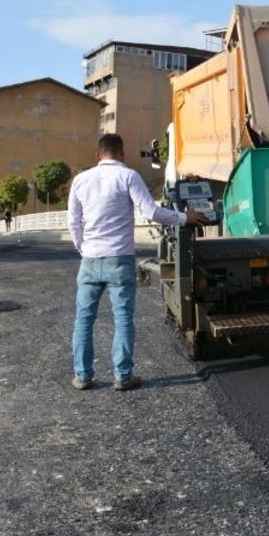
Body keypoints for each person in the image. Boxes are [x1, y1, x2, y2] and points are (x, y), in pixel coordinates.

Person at [67, 133, 204, 391]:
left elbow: (73, 221)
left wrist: (82, 248)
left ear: (97, 155)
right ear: (122, 152)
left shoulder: (80, 180)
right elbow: (151, 212)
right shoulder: (128, 176)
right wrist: (185, 218)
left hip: (90, 259)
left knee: (83, 319)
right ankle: (123, 376)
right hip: (119, 258)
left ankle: (82, 376)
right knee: (122, 318)